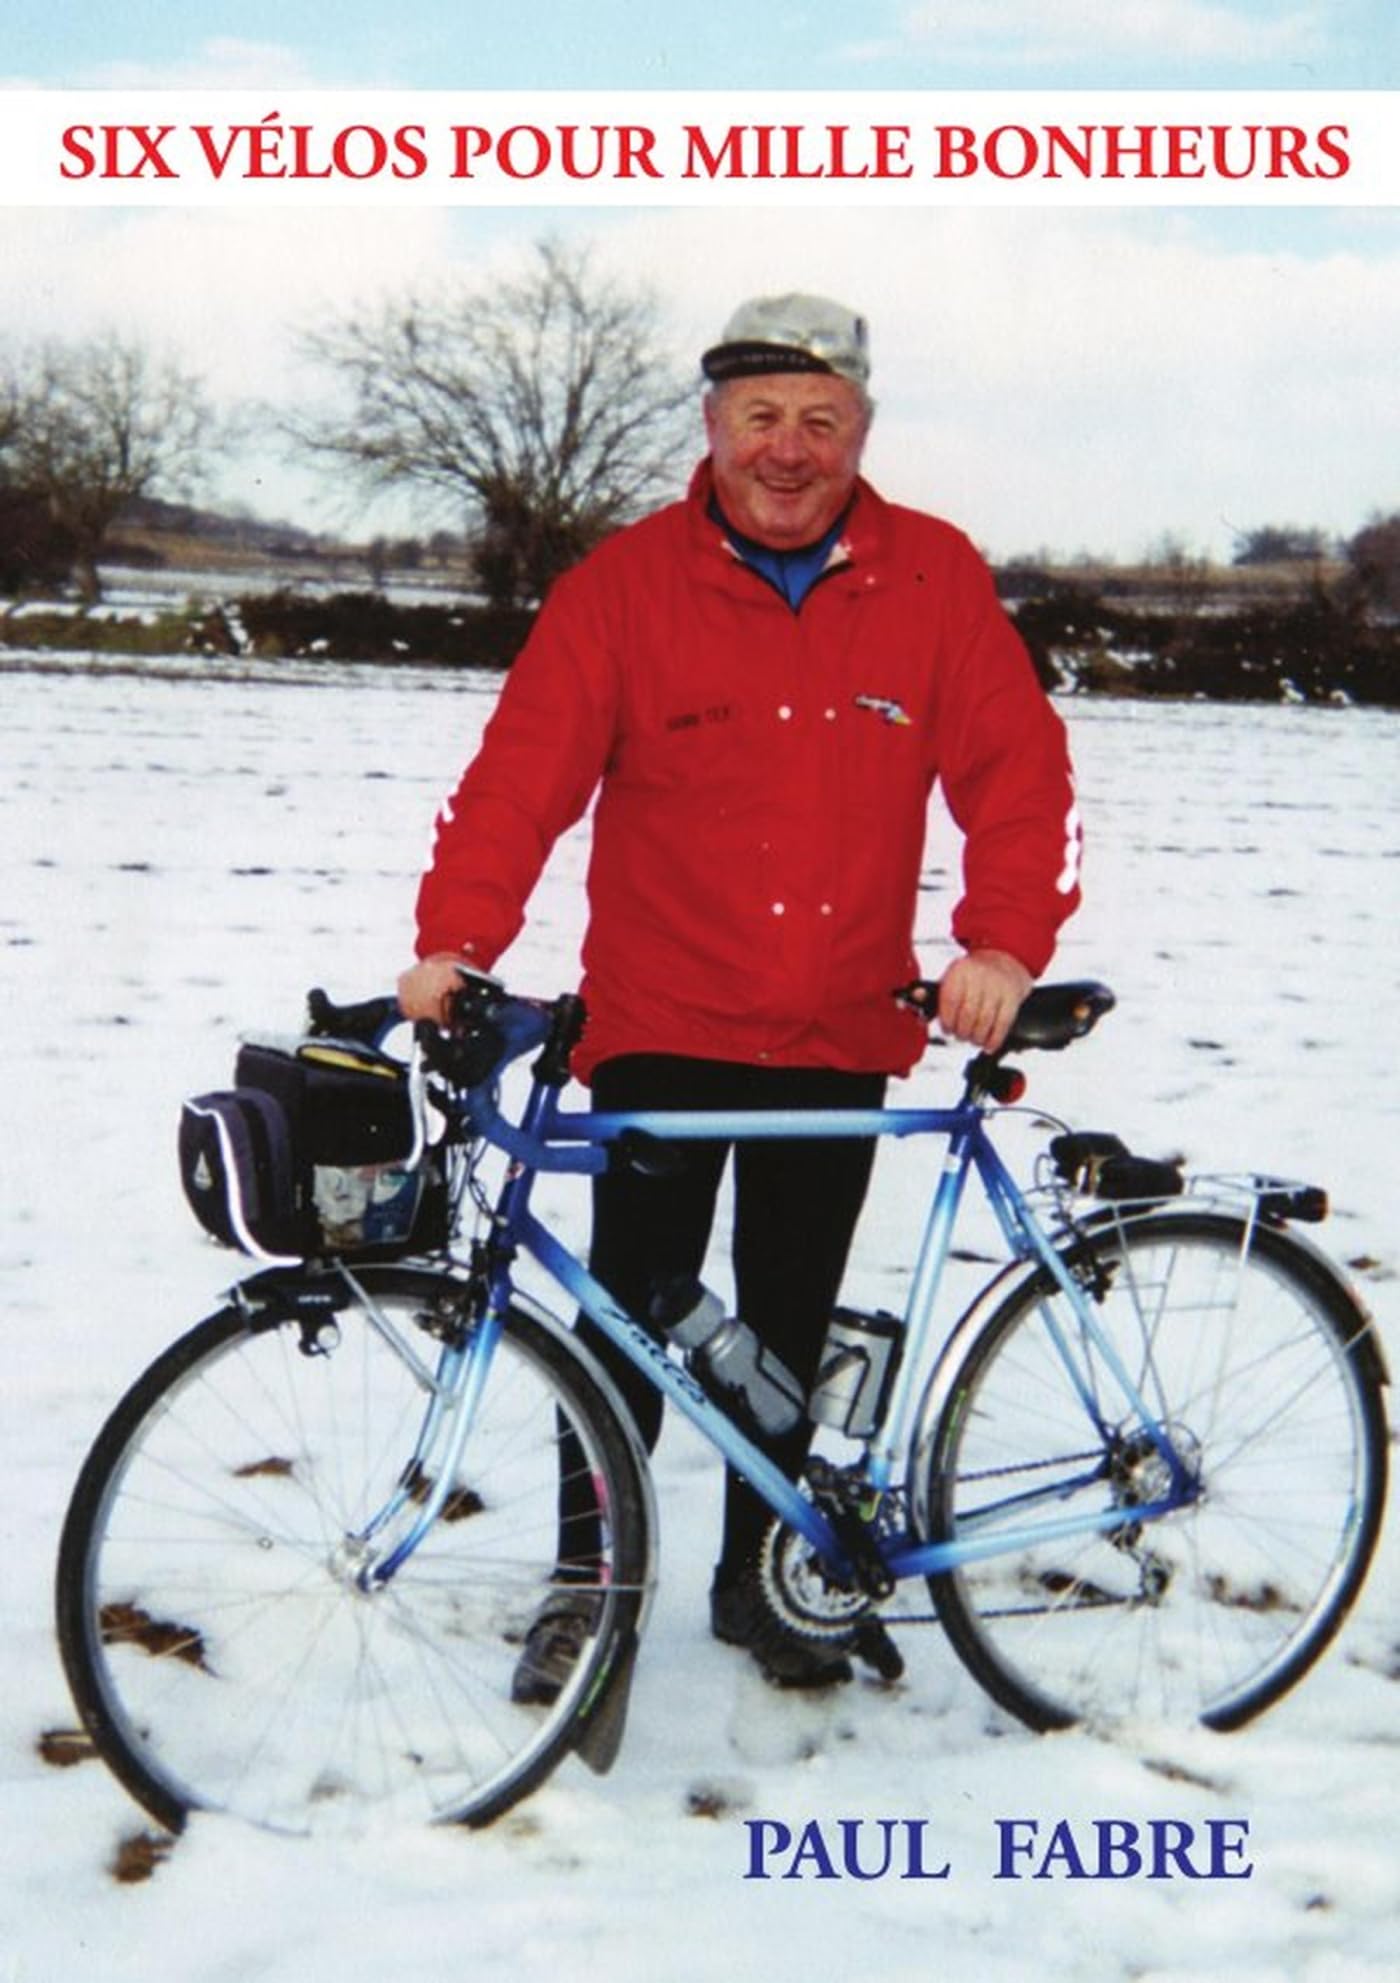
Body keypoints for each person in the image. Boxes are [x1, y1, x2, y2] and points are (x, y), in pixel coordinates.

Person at [398, 292, 1082, 1694]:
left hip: (839, 1028)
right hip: (662, 1022)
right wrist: (459, 938)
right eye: (760, 416)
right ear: (710, 428)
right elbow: (518, 779)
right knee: (633, 1324)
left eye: (820, 421)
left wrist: (1002, 943)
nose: (788, 448)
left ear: (861, 435)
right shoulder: (624, 588)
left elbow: (1025, 778)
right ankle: (591, 1591)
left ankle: (765, 1586)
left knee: (782, 1318)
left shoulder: (933, 579)